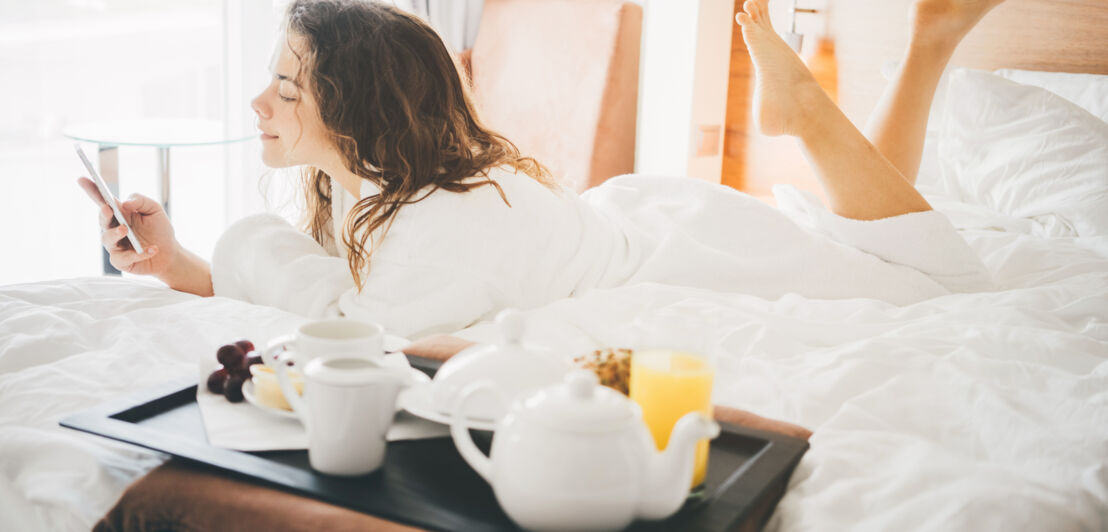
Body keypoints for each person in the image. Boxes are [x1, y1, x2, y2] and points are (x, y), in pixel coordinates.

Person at [78, 0, 1002, 339]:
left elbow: (352, 324)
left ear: (356, 108)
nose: (258, 107)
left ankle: (815, 106)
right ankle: (924, 45)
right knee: (894, 254)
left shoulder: (446, 222)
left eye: (285, 87)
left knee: (937, 283)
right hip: (658, 220)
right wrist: (174, 265)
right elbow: (329, 292)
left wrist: (228, 251)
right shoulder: (391, 187)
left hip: (685, 258)